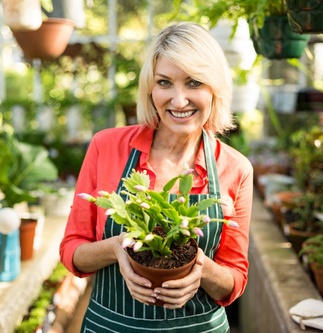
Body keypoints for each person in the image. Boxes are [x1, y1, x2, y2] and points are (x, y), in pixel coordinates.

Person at [60, 21, 254, 333]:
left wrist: (200, 269)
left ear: (215, 88)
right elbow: (72, 251)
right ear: (150, 89)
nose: (178, 101)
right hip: (111, 325)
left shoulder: (235, 168)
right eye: (165, 83)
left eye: (193, 83)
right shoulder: (106, 147)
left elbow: (234, 281)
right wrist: (116, 249)